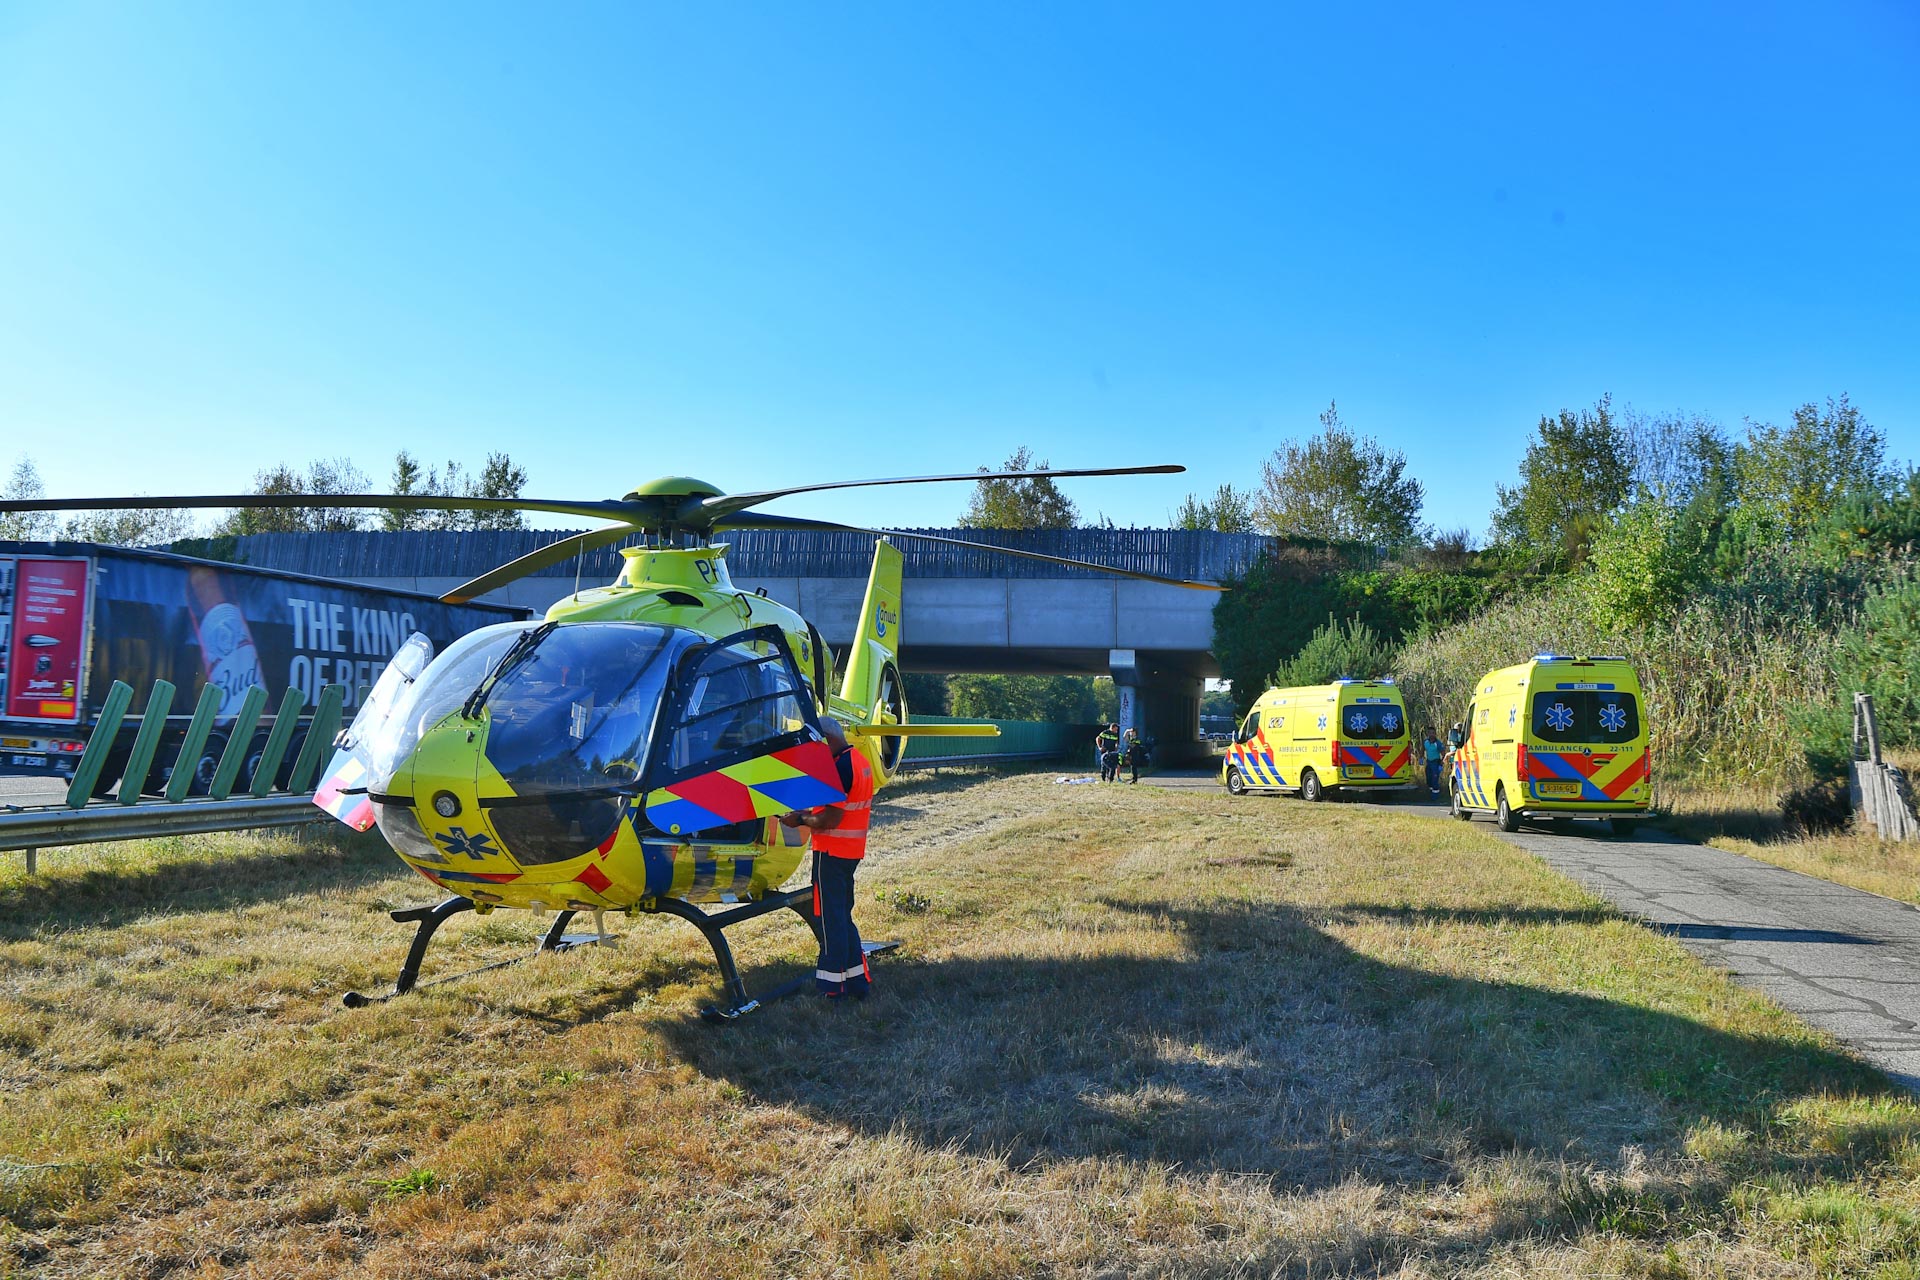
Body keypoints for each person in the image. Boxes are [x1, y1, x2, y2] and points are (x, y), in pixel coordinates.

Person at [780, 718, 875, 999]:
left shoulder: (840, 767)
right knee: (842, 915)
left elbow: (828, 819)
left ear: (828, 739)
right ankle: (857, 981)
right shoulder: (858, 760)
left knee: (829, 919)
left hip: (831, 853)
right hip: (850, 852)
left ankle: (834, 987)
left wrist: (799, 819)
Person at [1422, 725, 1444, 799]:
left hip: (1435, 763)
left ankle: (1435, 797)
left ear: (1435, 734)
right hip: (1429, 763)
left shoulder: (1438, 743)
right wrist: (1421, 759)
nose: (1431, 735)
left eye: (1433, 733)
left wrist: (1441, 764)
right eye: (1430, 733)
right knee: (1429, 779)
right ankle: (1430, 793)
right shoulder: (1426, 742)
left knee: (1435, 779)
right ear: (1428, 734)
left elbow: (1443, 753)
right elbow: (1423, 749)